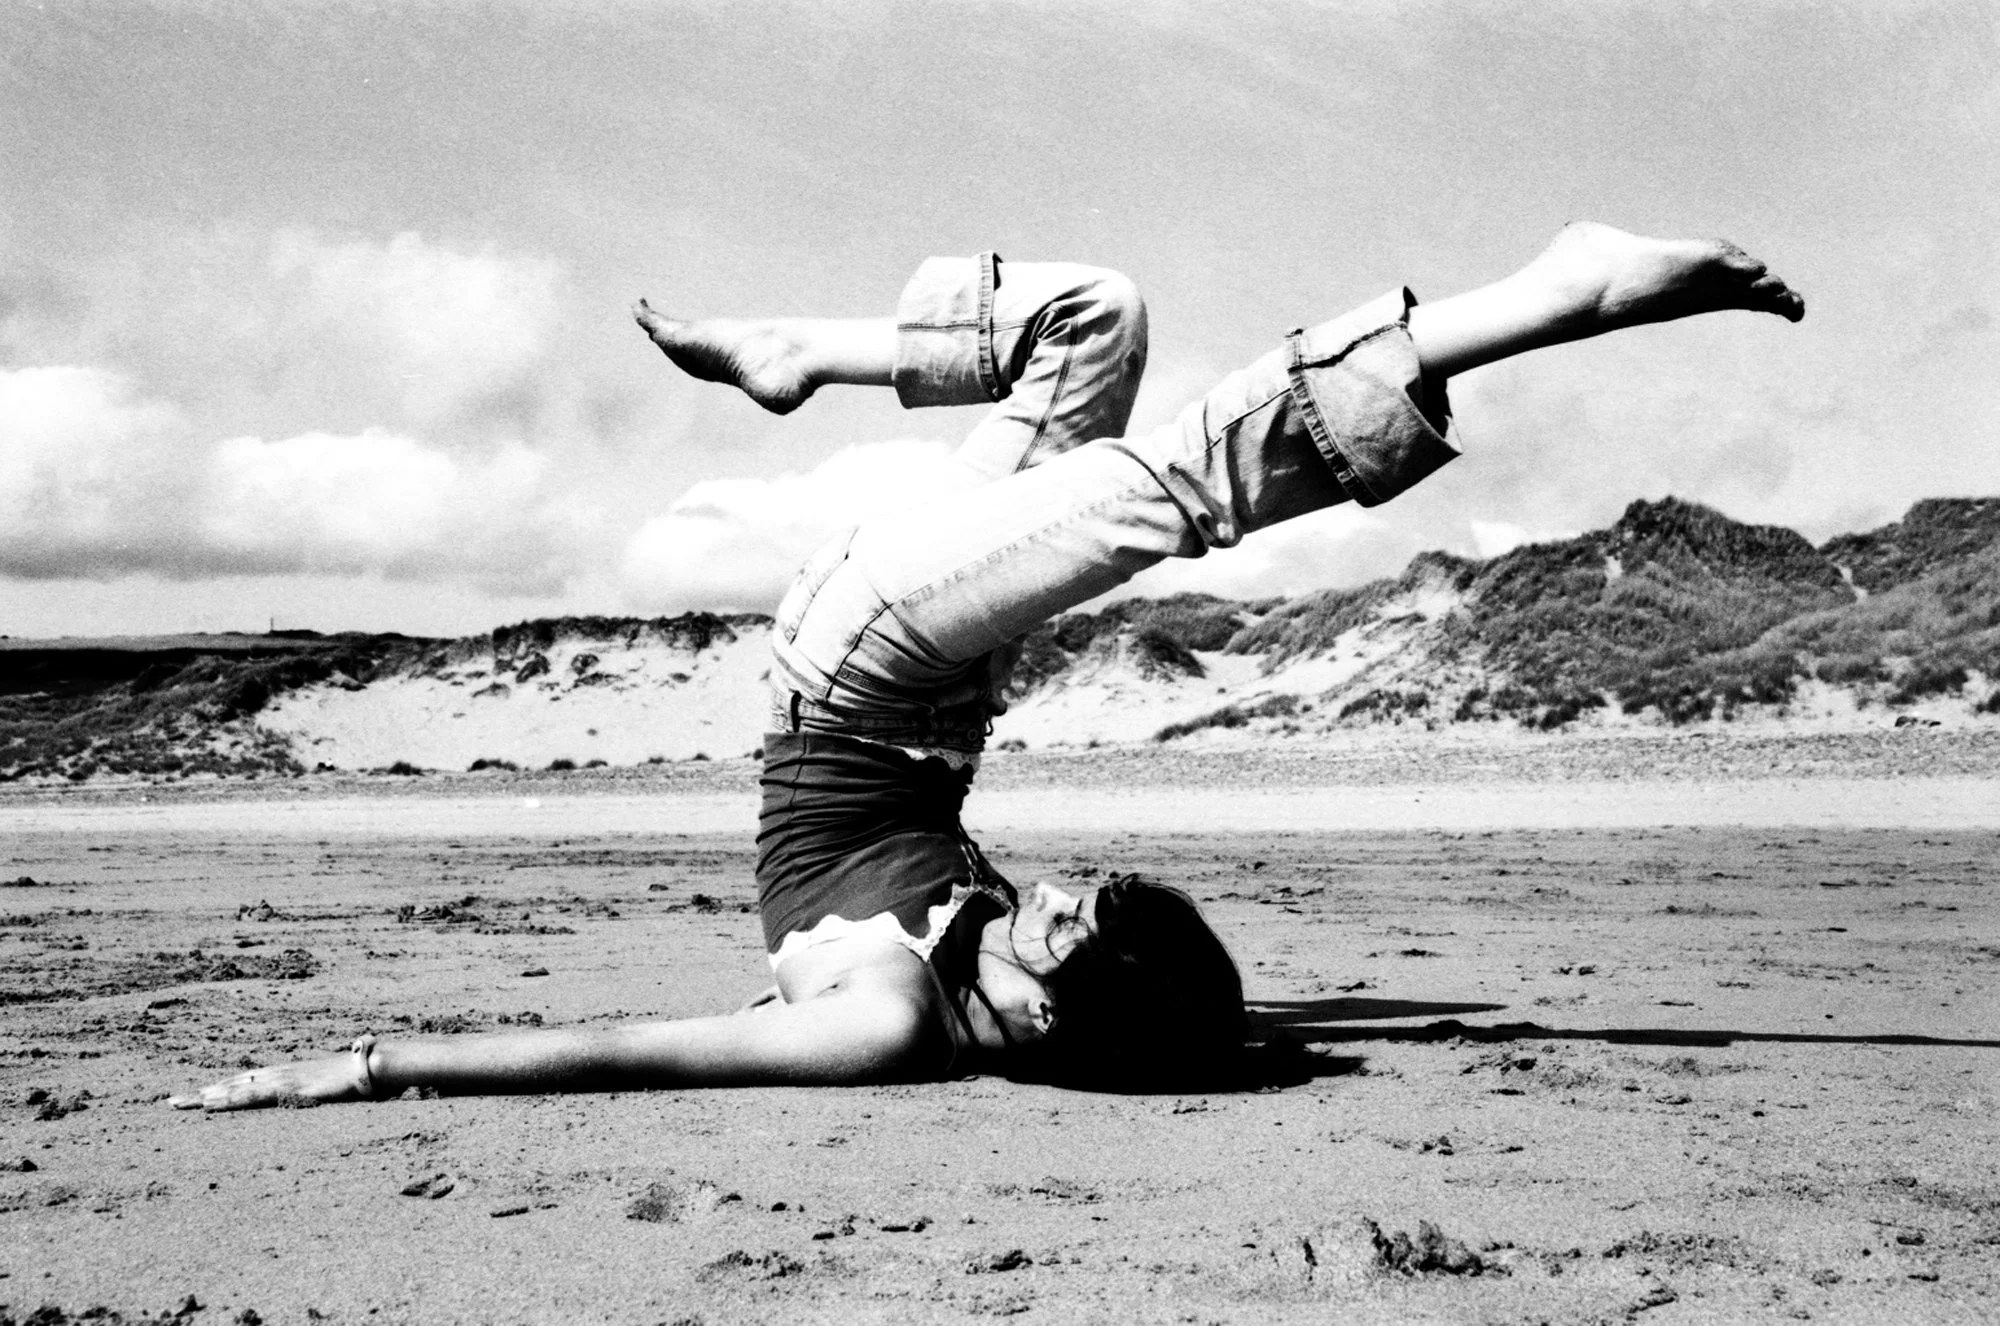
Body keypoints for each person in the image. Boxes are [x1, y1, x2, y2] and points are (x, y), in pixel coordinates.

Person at [173, 223, 1802, 1111]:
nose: (1057, 896)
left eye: (1064, 925)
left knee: (1181, 486)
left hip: (862, 665)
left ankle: (1547, 297)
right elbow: (1182, 1019)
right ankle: (801, 355)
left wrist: (372, 1064)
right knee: (1100, 316)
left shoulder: (881, 1020)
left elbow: (635, 1048)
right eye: (1085, 894)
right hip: (925, 668)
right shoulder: (1019, 987)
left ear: (1029, 1012)